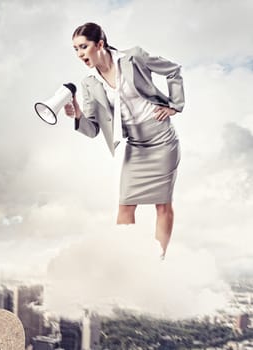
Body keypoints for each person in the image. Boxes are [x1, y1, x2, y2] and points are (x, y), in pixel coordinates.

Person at [65, 22, 184, 258]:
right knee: (125, 207)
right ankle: (128, 261)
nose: (79, 54)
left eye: (83, 47)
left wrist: (174, 106)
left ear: (100, 44)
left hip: (162, 139)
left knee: (163, 205)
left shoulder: (134, 57)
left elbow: (173, 70)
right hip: (136, 145)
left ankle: (158, 261)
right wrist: (77, 114)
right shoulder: (89, 83)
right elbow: (93, 129)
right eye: (75, 49)